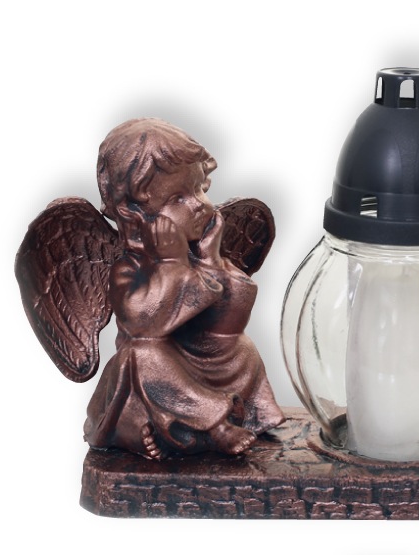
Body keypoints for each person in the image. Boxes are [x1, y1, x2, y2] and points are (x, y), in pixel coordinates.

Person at [83, 118, 284, 459]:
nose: (200, 205)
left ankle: (228, 420)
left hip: (196, 362)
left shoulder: (198, 255)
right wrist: (170, 264)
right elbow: (144, 325)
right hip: (150, 375)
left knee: (243, 349)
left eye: (199, 190)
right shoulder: (128, 269)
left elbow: (231, 322)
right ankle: (213, 426)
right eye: (178, 198)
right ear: (134, 215)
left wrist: (211, 262)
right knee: (144, 356)